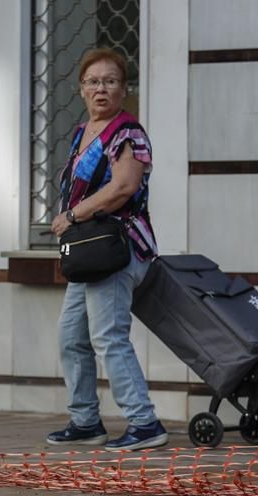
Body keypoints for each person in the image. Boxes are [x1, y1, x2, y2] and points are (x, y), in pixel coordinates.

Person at [45, 47, 168, 451]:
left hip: (117, 247)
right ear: (81, 89)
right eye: (94, 81)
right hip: (89, 252)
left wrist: (74, 215)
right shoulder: (84, 133)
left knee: (108, 337)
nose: (102, 88)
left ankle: (144, 423)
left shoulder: (126, 132)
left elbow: (123, 187)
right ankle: (85, 421)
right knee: (70, 337)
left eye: (110, 81)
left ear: (123, 89)